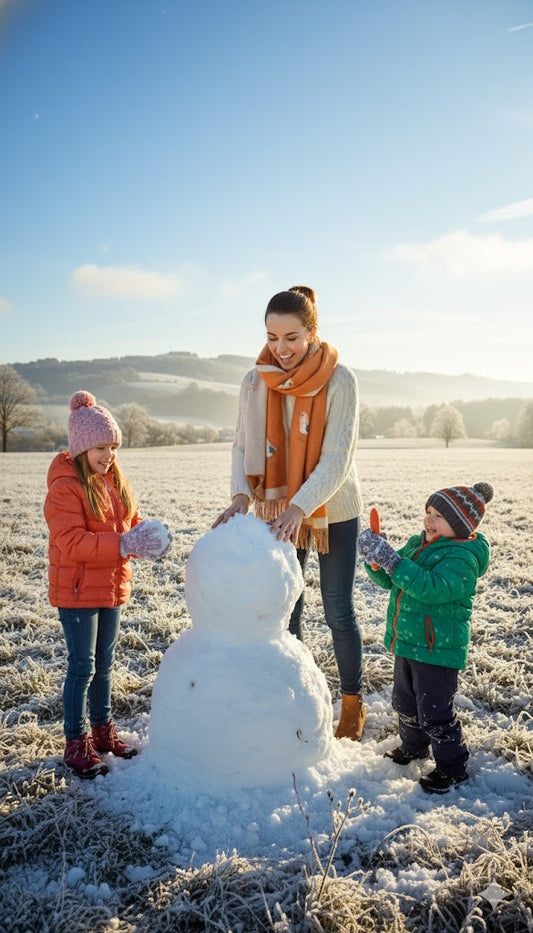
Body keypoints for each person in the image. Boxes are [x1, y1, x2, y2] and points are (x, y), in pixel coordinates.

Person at [213, 286, 365, 740]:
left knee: (338, 610)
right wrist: (242, 496)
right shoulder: (254, 380)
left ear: (313, 332)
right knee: (287, 609)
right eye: (272, 336)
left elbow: (337, 458)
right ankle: (295, 699)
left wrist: (301, 506)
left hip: (330, 508)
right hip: (277, 508)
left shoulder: (341, 381)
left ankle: (352, 703)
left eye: (292, 337)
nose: (281, 348)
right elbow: (242, 444)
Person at [44, 391, 172, 779]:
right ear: (82, 447)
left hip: (112, 588)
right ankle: (75, 742)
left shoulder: (113, 480)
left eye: (113, 447)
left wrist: (146, 537)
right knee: (82, 667)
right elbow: (72, 542)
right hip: (78, 591)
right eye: (101, 447)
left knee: (104, 667)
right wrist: (123, 544)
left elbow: (129, 523)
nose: (109, 455)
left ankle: (103, 732)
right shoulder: (65, 486)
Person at [358, 481, 493, 794]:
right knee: (405, 702)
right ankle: (413, 747)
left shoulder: (462, 558)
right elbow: (390, 580)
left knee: (435, 712)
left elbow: (431, 588)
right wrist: (376, 558)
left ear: (460, 525)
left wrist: (394, 561)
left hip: (437, 649)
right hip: (408, 643)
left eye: (439, 517)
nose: (428, 520)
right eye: (428, 512)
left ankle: (452, 768)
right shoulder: (417, 544)